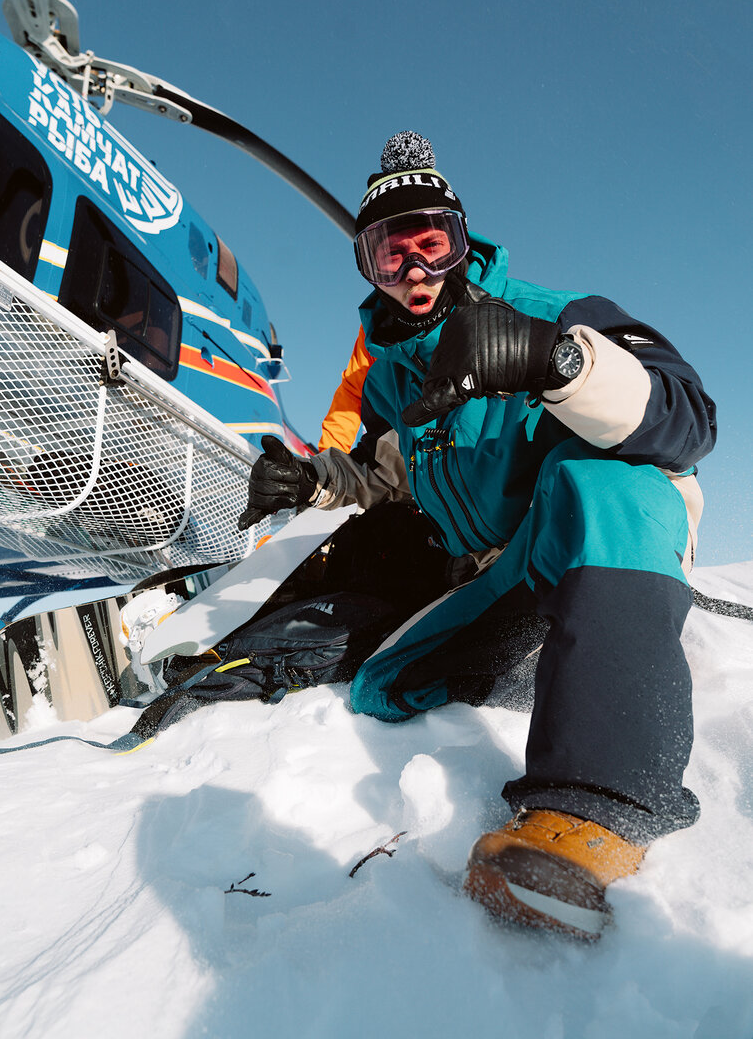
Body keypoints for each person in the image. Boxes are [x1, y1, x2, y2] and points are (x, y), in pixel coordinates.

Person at [238, 131, 716, 940]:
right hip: (494, 583)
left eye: (432, 244)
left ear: (462, 245)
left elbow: (688, 418)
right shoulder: (393, 375)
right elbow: (389, 471)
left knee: (601, 478)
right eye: (389, 256)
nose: (415, 272)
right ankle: (526, 666)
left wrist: (553, 361)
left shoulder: (554, 314)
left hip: (588, 549)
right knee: (384, 683)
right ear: (368, 268)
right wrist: (315, 478)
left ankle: (598, 811)